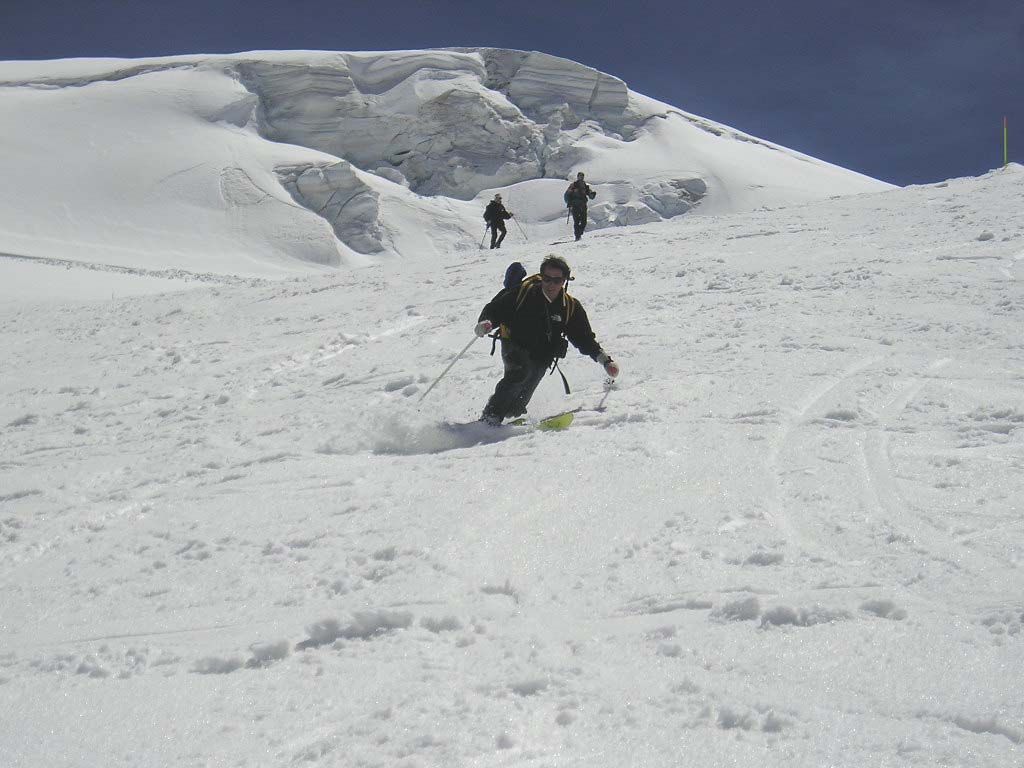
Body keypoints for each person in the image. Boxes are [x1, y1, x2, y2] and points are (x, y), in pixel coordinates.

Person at [474, 255, 619, 425]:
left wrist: (605, 361)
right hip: (514, 343)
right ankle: (489, 418)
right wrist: (487, 322)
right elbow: (496, 309)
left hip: (542, 355)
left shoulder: (569, 307)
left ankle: (511, 415)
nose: (551, 284)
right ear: (541, 277)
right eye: (547, 279)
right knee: (519, 373)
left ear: (564, 281)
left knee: (523, 394)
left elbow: (584, 338)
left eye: (557, 280)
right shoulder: (524, 293)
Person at [563, 172, 596, 241]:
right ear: (577, 177)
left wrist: (592, 194)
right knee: (577, 221)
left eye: (582, 176)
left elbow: (590, 195)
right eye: (580, 176)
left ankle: (579, 233)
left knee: (584, 221)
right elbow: (567, 194)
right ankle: (577, 236)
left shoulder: (585, 186)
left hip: (583, 205)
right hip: (575, 206)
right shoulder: (573, 185)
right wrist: (569, 203)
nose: (581, 177)